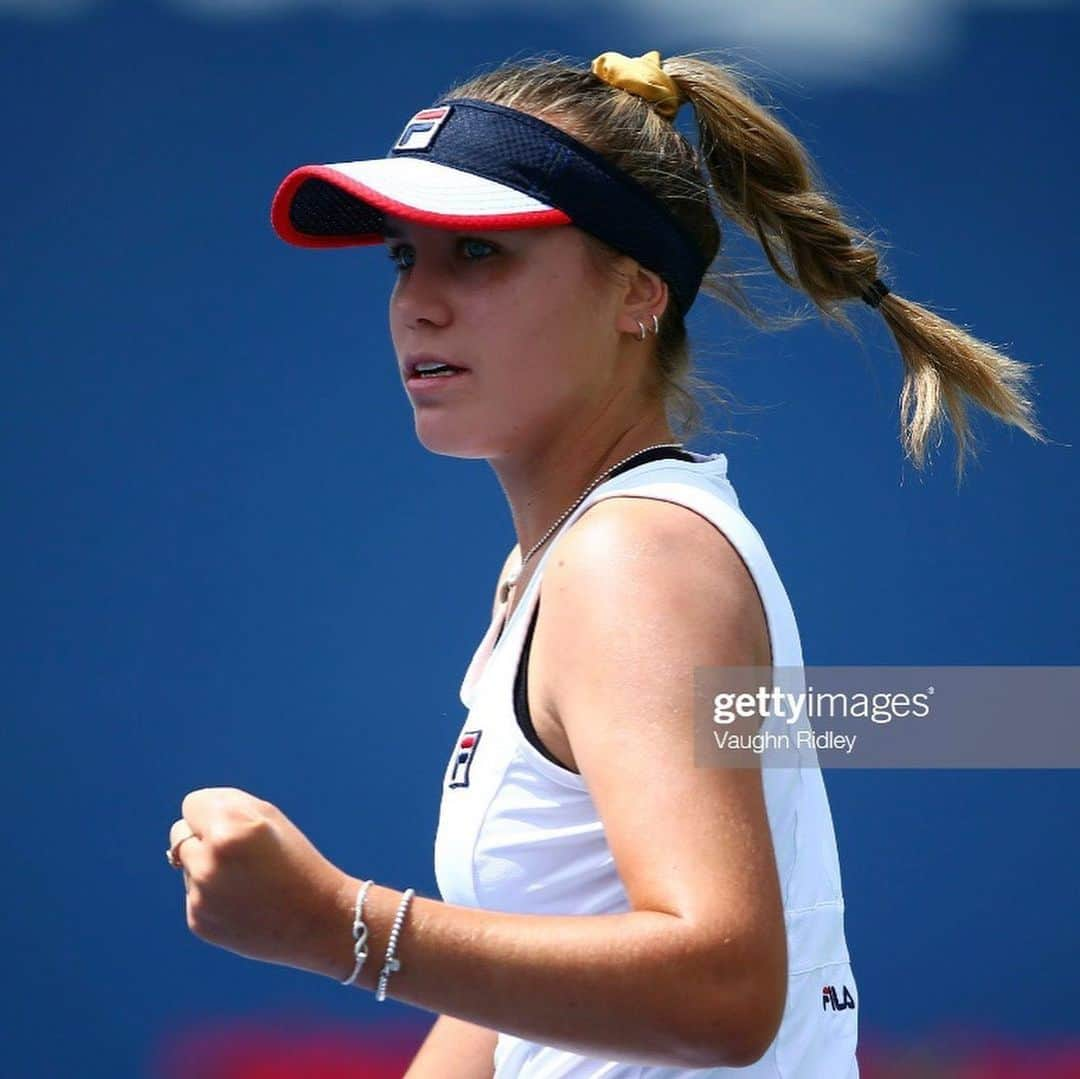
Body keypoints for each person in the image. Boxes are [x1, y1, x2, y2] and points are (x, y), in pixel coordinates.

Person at [166, 49, 1044, 1077]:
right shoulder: (564, 561)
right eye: (407, 257)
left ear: (637, 295)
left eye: (481, 254)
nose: (421, 302)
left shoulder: (636, 559)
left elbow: (721, 991)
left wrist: (338, 925)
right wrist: (357, 934)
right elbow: (514, 981)